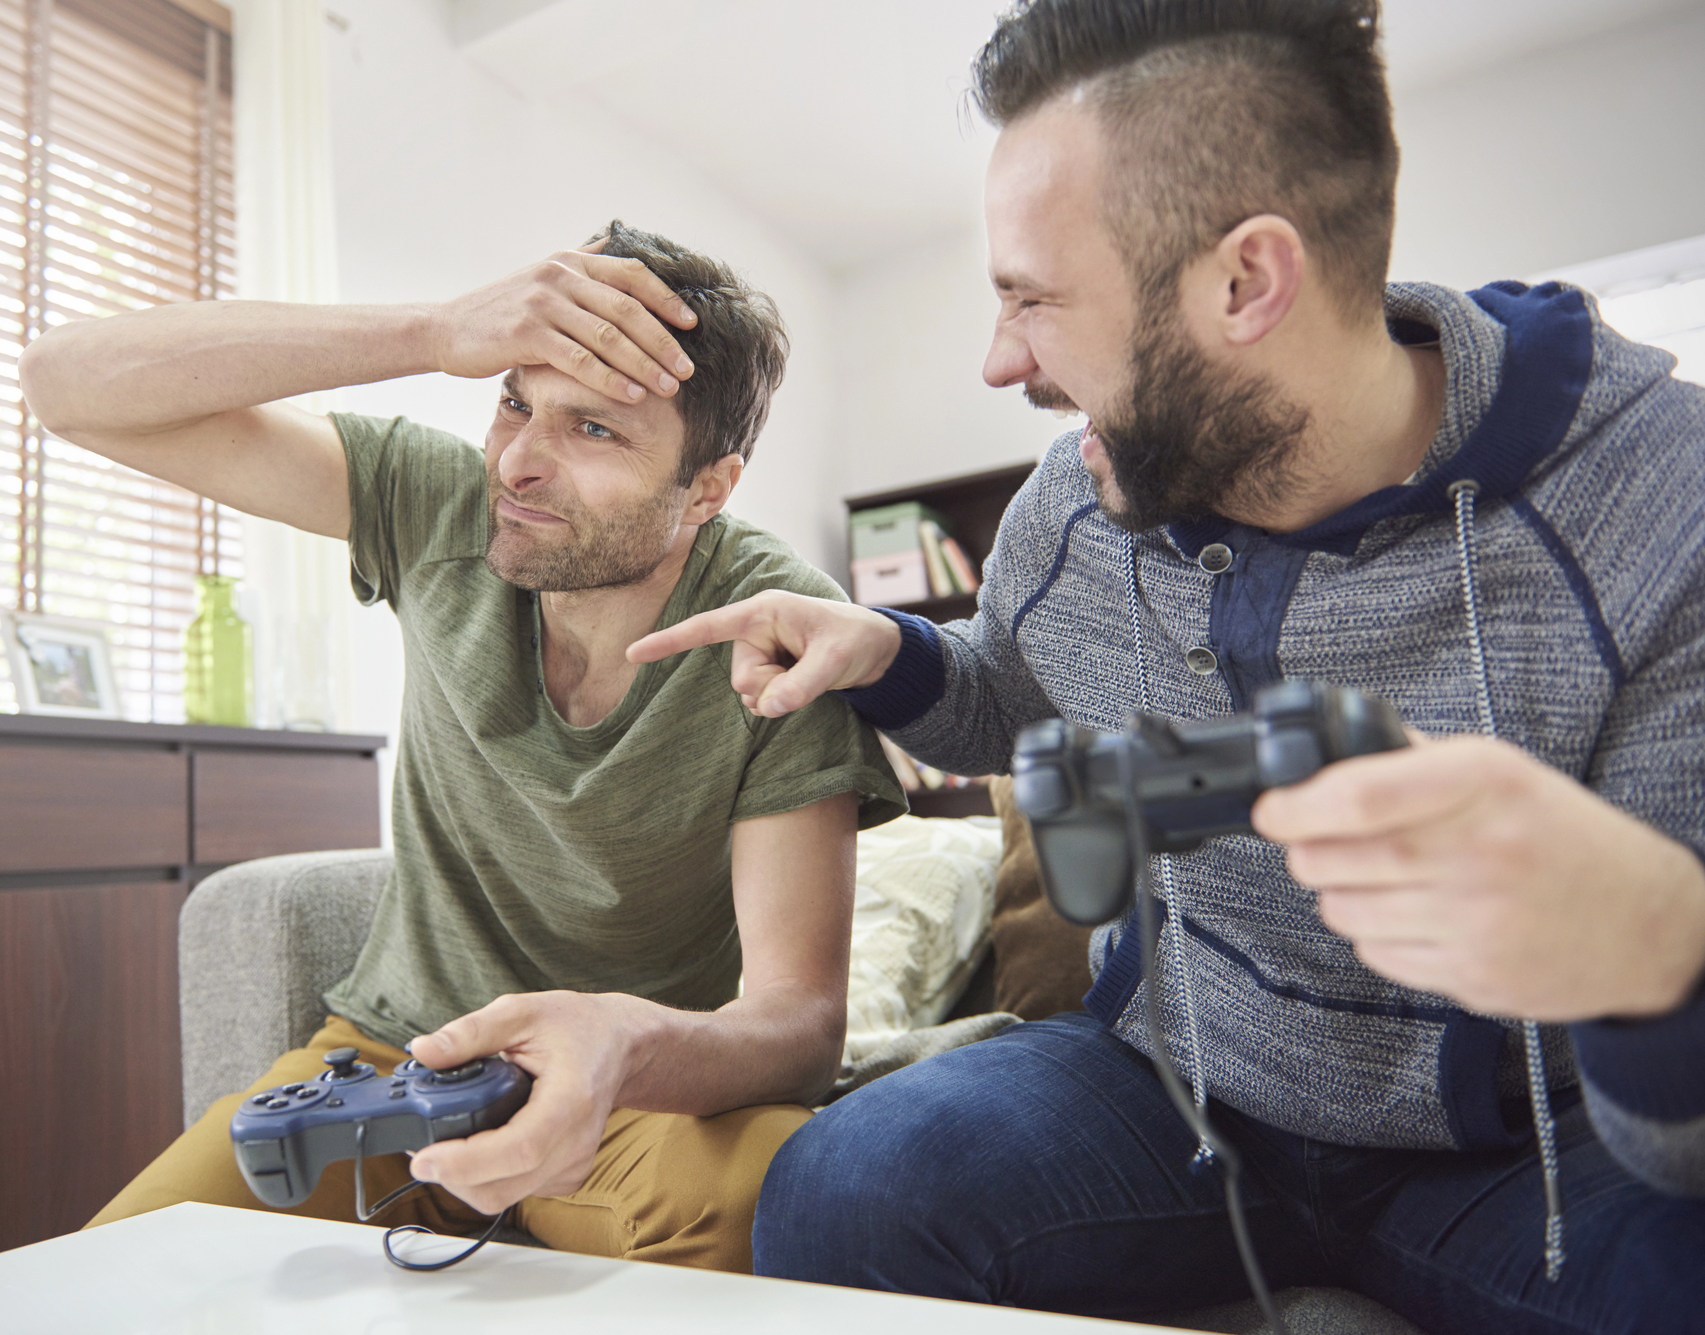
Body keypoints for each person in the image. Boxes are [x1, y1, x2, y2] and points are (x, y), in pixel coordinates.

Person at [629, 2, 1705, 1328]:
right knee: (842, 1186)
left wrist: (1661, 951)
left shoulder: (1664, 502)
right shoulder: (1075, 501)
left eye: (1032, 296)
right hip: (1172, 1089)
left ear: (1248, 282)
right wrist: (895, 656)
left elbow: (1681, 1138)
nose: (998, 358)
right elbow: (1011, 698)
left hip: (1526, 1144)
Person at [17, 221, 904, 1271]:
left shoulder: (782, 626)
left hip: (635, 1095)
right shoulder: (434, 504)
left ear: (706, 489)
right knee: (111, 1278)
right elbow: (65, 385)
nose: (520, 463)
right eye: (515, 403)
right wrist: (437, 329)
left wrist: (618, 1051)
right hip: (398, 1064)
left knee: (759, 1199)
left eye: (595, 432)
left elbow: (796, 1024)